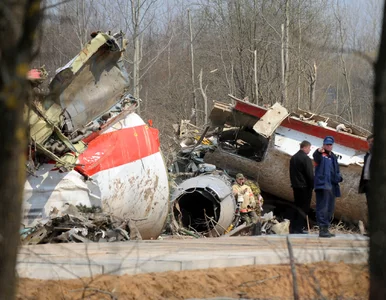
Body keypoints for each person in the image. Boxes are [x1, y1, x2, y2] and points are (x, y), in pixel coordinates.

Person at [313, 136, 343, 238]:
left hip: (332, 186)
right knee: (322, 207)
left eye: (330, 144)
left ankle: (326, 228)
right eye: (327, 144)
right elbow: (315, 156)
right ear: (324, 145)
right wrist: (318, 151)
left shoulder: (333, 156)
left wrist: (339, 178)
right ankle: (322, 230)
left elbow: (336, 171)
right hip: (323, 186)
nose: (329, 146)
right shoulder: (320, 155)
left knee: (330, 208)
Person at [289, 140, 314, 234]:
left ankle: (293, 227)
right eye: (309, 148)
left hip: (296, 186)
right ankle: (299, 228)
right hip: (305, 187)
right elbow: (309, 174)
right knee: (304, 208)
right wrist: (312, 186)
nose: (310, 150)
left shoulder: (294, 158)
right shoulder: (306, 159)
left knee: (297, 206)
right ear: (305, 147)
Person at [359, 134, 374, 203]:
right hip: (367, 182)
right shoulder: (368, 154)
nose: (370, 144)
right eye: (369, 142)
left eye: (372, 142)